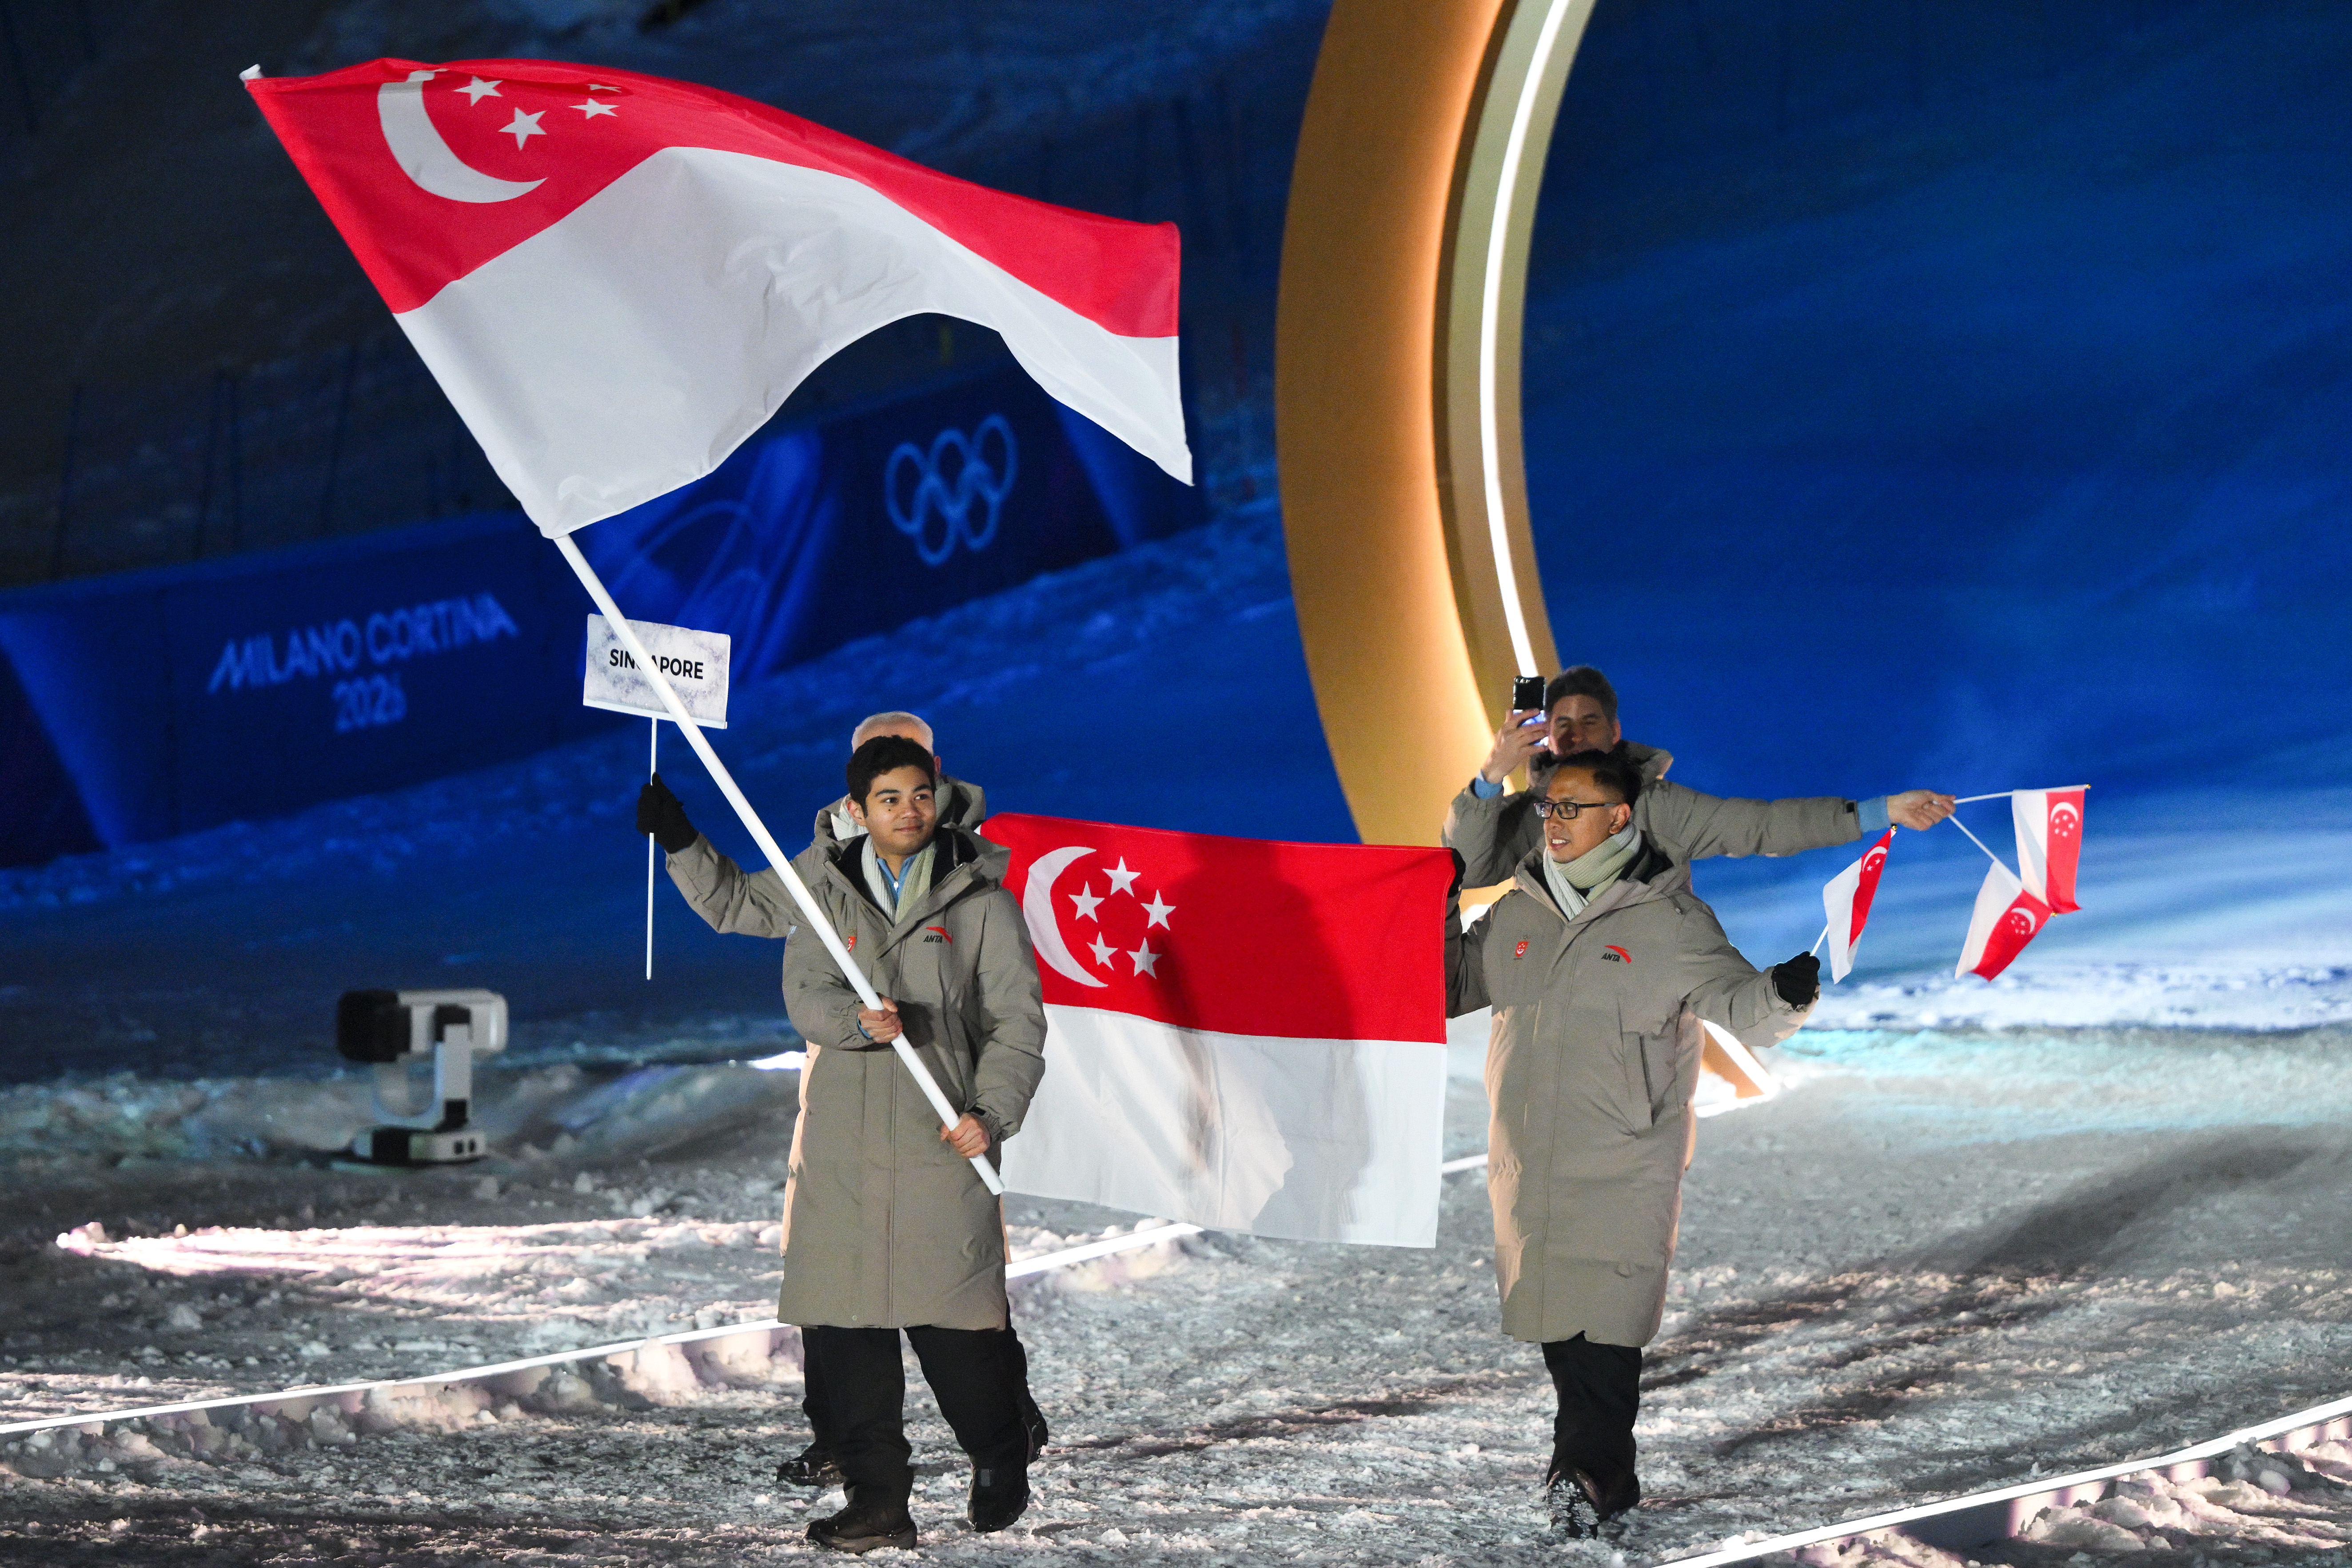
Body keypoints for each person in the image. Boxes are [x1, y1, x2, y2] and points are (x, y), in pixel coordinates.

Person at [638, 736, 1046, 1551]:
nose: (909, 811)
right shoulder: (821, 886)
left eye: (920, 794)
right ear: (856, 809)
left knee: (956, 1332)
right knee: (848, 1331)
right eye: (890, 797)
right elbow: (759, 934)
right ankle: (877, 1501)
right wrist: (681, 839)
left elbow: (1016, 1025)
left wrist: (990, 1112)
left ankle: (1001, 1446)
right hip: (845, 1147)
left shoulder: (982, 901)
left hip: (943, 1139)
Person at [1444, 747, 1822, 1537]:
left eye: (1571, 808)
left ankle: (1588, 1474)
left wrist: (1783, 993)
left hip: (1624, 1157)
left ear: (1618, 817)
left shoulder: (1668, 919)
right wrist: (1435, 903)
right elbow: (1447, 985)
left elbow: (1738, 1003)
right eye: (1548, 806)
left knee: (1605, 1329)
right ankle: (1587, 1468)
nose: (1552, 821)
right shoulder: (1516, 910)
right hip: (1531, 1156)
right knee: (1557, 1323)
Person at [1444, 666, 1956, 888]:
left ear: (1616, 730)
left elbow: (1762, 826)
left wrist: (1880, 811)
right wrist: (1491, 774)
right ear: (1547, 738)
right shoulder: (1526, 818)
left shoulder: (1660, 809)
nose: (1576, 735)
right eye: (1562, 726)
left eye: (1589, 721)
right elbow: (1466, 872)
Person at [811, 711, 987, 854]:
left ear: (935, 767)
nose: (895, 770)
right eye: (874, 758)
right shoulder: (812, 869)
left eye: (912, 755)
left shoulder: (988, 846)